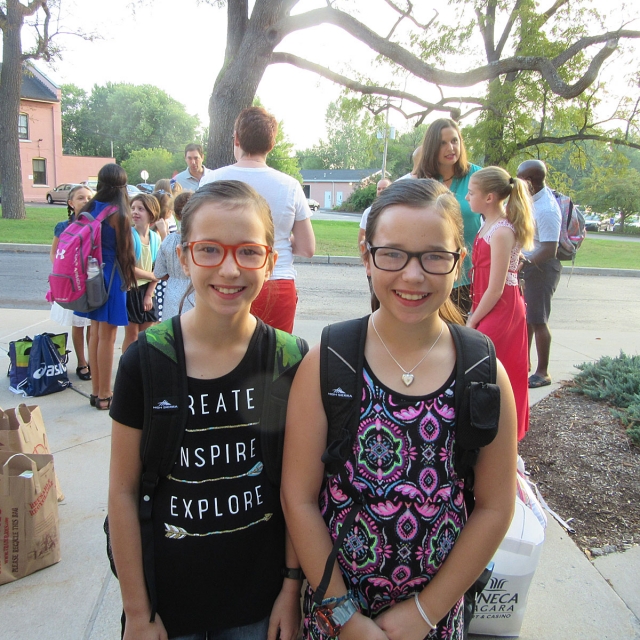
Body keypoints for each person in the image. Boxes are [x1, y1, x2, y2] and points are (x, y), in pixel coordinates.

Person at [281, 179, 517, 640]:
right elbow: (299, 496)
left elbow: (495, 506)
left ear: (459, 262)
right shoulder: (330, 360)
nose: (413, 275)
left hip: (434, 618)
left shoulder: (483, 370)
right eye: (393, 254)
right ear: (366, 256)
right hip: (334, 616)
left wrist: (425, 613)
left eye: (434, 256)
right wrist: (344, 615)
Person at [108, 180, 305, 640]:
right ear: (184, 257)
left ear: (270, 261)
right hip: (169, 606)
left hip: (258, 604)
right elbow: (121, 491)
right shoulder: (147, 360)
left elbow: (300, 492)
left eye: (249, 252)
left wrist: (291, 590)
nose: (230, 269)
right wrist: (137, 611)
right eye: (210, 250)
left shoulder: (290, 361)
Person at [200, 107, 315, 333]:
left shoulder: (211, 180)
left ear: (237, 139)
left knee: (223, 356)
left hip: (223, 280)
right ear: (271, 145)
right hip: (276, 279)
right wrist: (282, 238)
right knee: (275, 360)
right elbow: (307, 247)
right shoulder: (289, 186)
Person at [466, 167, 535, 440]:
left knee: (495, 368)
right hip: (488, 304)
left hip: (502, 309)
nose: (468, 197)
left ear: (490, 197)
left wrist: (473, 319)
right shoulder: (487, 224)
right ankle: (486, 428)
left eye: (472, 193)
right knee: (488, 368)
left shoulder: (502, 231)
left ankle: (505, 433)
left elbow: (495, 289)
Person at [76, 163, 137, 411]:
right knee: (108, 338)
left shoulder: (90, 207)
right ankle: (105, 394)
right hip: (111, 276)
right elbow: (125, 254)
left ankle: (95, 391)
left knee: (95, 333)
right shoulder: (119, 214)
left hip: (90, 275)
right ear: (122, 186)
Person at [413, 118, 482, 315]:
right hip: (429, 274)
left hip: (469, 276)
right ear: (432, 146)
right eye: (443, 143)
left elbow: (501, 218)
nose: (450, 148)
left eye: (454, 140)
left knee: (461, 338)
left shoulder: (477, 177)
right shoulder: (420, 180)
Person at [516, 160, 562, 388]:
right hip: (531, 267)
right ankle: (524, 364)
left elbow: (549, 248)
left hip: (543, 269)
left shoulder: (547, 209)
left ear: (531, 181)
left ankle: (543, 372)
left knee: (538, 319)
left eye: (521, 178)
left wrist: (524, 261)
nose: (517, 182)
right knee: (527, 320)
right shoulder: (533, 201)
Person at [49, 185, 94, 381]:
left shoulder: (95, 224)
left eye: (89, 197)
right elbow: (54, 253)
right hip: (72, 284)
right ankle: (82, 362)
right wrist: (63, 272)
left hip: (90, 283)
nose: (85, 201)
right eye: (81, 198)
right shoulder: (64, 226)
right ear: (71, 203)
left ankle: (94, 360)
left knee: (93, 324)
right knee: (78, 323)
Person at [121, 194, 161, 354]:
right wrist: (151, 276)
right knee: (131, 337)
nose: (135, 212)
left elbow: (158, 268)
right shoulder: (129, 236)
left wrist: (149, 294)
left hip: (147, 292)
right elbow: (128, 269)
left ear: (151, 213)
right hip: (131, 291)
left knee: (146, 336)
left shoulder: (155, 238)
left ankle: (140, 369)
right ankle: (127, 368)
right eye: (133, 208)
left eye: (140, 209)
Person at [153, 191, 195, 318]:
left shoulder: (169, 240)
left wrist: (174, 274)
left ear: (176, 215)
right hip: (195, 293)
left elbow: (159, 272)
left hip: (172, 295)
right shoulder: (202, 240)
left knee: (173, 333)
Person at [357, 178, 391, 248]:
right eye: (379, 189)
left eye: (384, 188)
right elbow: (362, 234)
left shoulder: (397, 211)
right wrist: (363, 253)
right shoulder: (368, 212)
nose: (381, 191)